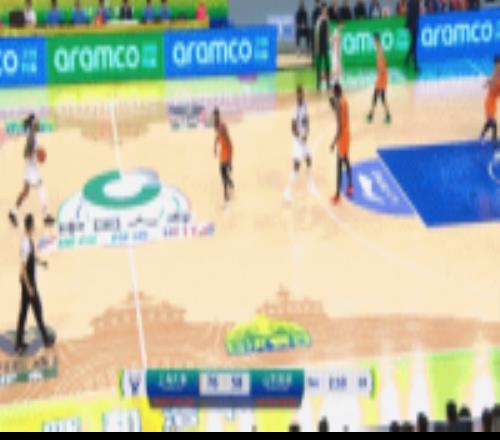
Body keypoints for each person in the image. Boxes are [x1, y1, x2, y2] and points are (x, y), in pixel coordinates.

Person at [15, 214, 55, 356]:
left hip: (28, 283)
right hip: (28, 283)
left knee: (24, 312)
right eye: (34, 225)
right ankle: (46, 340)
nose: (35, 228)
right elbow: (22, 269)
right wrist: (29, 287)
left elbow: (32, 258)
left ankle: (19, 343)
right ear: (30, 227)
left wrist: (41, 262)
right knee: (37, 310)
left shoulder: (28, 240)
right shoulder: (25, 244)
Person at [9, 115, 55, 229]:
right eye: (37, 121)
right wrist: (36, 154)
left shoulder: (33, 134)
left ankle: (13, 212)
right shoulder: (32, 136)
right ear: (33, 124)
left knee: (25, 192)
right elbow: (25, 153)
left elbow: (30, 152)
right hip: (31, 170)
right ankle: (46, 216)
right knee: (41, 188)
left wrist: (37, 153)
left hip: (30, 168)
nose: (39, 122)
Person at [284, 86, 316, 203]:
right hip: (297, 141)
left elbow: (306, 120)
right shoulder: (296, 110)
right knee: (296, 166)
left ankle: (310, 185)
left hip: (304, 139)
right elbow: (292, 127)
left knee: (309, 159)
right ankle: (287, 192)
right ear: (296, 95)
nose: (300, 96)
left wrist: (307, 131)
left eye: (302, 93)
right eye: (298, 94)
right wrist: (300, 136)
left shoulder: (305, 105)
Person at [329, 83, 353, 205]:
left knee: (339, 166)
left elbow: (339, 126)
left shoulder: (339, 104)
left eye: (333, 91)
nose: (332, 93)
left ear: (336, 92)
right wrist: (333, 105)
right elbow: (341, 113)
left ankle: (338, 195)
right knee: (346, 160)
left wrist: (333, 142)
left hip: (341, 137)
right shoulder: (345, 100)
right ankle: (350, 185)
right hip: (347, 134)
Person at [367, 33, 392, 124]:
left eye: (374, 40)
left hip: (382, 77)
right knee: (381, 97)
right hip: (382, 76)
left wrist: (380, 74)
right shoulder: (379, 48)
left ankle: (371, 115)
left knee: (377, 96)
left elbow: (382, 63)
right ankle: (386, 115)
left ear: (376, 40)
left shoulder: (379, 49)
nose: (373, 42)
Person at [213, 108, 234, 207]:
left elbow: (229, 143)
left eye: (216, 115)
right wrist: (215, 146)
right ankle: (229, 181)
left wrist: (230, 161)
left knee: (223, 174)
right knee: (223, 174)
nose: (215, 118)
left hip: (227, 152)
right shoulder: (216, 125)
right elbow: (217, 136)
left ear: (218, 115)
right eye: (214, 116)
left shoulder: (222, 126)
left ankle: (226, 194)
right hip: (223, 152)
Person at [480, 55, 500, 154]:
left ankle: (482, 136)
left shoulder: (496, 74)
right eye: (497, 64)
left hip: (494, 102)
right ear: (495, 64)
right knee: (494, 123)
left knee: (490, 122)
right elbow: (490, 82)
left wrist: (488, 83)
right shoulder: (494, 75)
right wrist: (487, 83)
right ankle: (494, 144)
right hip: (489, 102)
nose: (498, 66)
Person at [315, 4, 331, 92]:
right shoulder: (319, 20)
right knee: (319, 65)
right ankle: (318, 83)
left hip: (326, 45)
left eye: (326, 10)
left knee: (327, 64)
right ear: (321, 11)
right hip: (319, 46)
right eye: (323, 10)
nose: (325, 11)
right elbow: (316, 34)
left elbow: (329, 33)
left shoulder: (328, 20)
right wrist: (317, 47)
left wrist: (329, 43)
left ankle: (328, 83)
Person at [405, 0, 420, 72]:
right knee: (414, 46)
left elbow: (412, 15)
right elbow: (410, 15)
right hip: (413, 26)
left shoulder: (413, 2)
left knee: (413, 44)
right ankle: (415, 65)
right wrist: (408, 26)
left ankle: (407, 59)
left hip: (413, 26)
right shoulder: (414, 3)